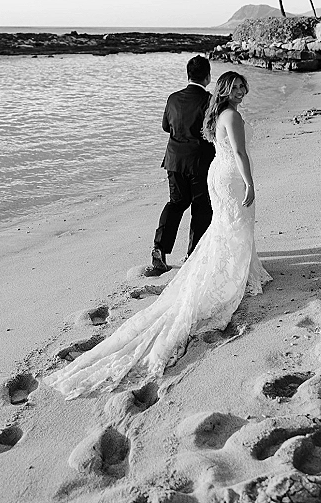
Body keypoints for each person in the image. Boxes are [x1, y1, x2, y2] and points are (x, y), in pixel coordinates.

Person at [44, 71, 271, 400]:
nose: (240, 92)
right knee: (227, 222)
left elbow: (172, 129)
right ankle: (227, 269)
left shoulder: (208, 110)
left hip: (205, 171)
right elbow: (240, 153)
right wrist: (250, 182)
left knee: (214, 220)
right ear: (218, 85)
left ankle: (183, 254)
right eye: (235, 87)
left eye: (242, 87)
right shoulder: (231, 114)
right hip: (226, 173)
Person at [150, 55, 214, 274]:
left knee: (176, 203)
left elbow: (166, 127)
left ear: (188, 75)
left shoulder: (173, 98)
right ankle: (194, 253)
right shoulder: (210, 101)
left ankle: (159, 248)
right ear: (208, 76)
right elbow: (214, 131)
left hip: (174, 160)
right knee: (201, 207)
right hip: (200, 161)